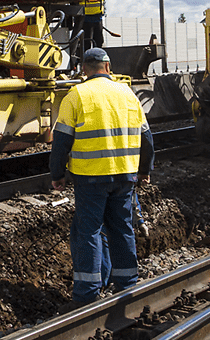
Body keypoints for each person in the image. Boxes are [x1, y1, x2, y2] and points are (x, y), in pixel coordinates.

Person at [51, 47, 155, 305]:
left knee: (89, 232)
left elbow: (61, 142)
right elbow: (147, 139)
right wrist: (144, 171)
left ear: (83, 70)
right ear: (108, 67)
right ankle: (127, 284)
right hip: (125, 176)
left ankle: (87, 293)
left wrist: (58, 174)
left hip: (91, 178)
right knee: (122, 228)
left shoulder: (76, 96)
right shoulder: (128, 94)